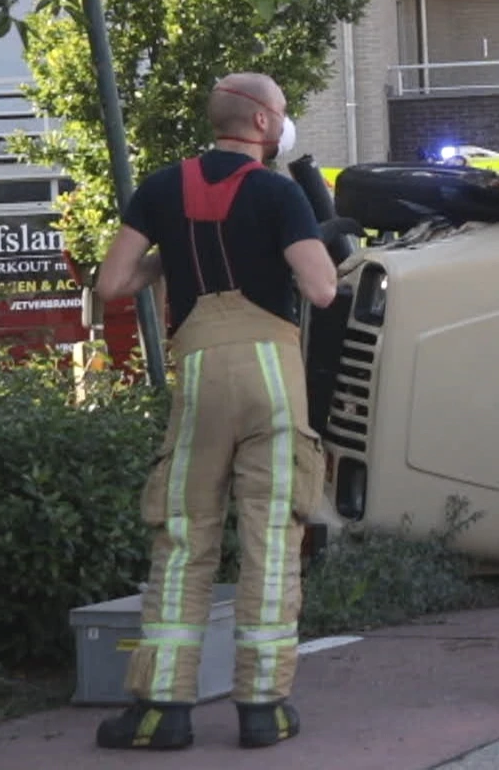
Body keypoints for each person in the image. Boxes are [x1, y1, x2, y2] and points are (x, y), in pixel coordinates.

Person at [93, 73, 339, 751]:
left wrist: (166, 264)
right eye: (283, 114)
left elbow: (112, 282)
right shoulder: (278, 191)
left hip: (199, 374)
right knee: (269, 540)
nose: (286, 125)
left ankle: (162, 711)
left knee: (183, 539)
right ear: (261, 123)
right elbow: (320, 289)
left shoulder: (162, 187)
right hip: (272, 379)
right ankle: (264, 710)